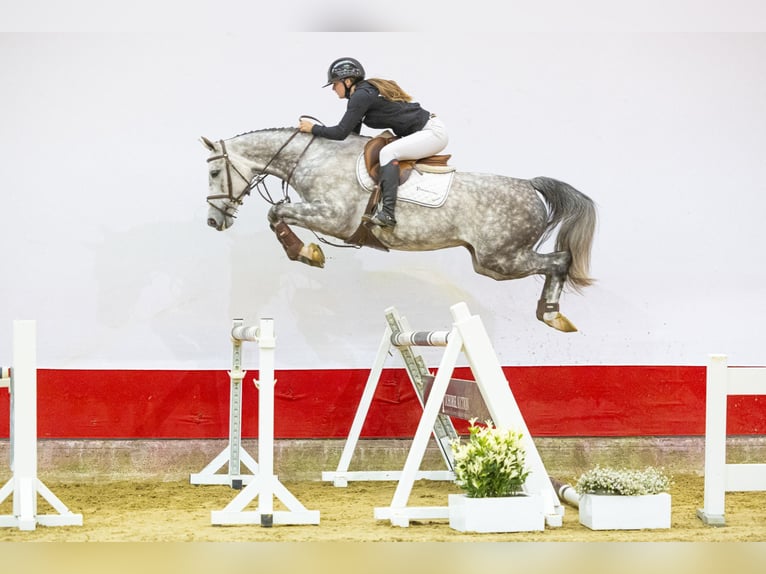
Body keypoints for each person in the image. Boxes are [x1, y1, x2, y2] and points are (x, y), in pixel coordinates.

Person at [298, 57, 448, 228]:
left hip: (432, 133)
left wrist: (313, 129)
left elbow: (340, 132)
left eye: (334, 83)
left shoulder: (361, 96)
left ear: (347, 81)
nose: (333, 88)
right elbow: (352, 135)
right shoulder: (360, 95)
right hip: (424, 132)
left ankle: (388, 214)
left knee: (388, 152)